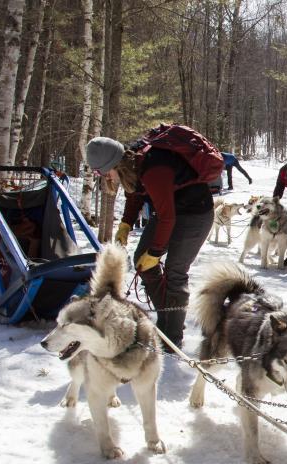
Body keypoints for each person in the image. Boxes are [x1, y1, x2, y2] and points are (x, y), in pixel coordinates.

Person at [85, 132, 215, 349]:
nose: (105, 177)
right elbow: (135, 195)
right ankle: (168, 316)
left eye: (102, 172)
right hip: (172, 211)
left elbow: (167, 217)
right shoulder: (132, 166)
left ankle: (172, 338)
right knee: (141, 262)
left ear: (113, 165)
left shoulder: (154, 169)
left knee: (175, 271)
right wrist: (126, 224)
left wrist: (155, 253)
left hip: (196, 214)